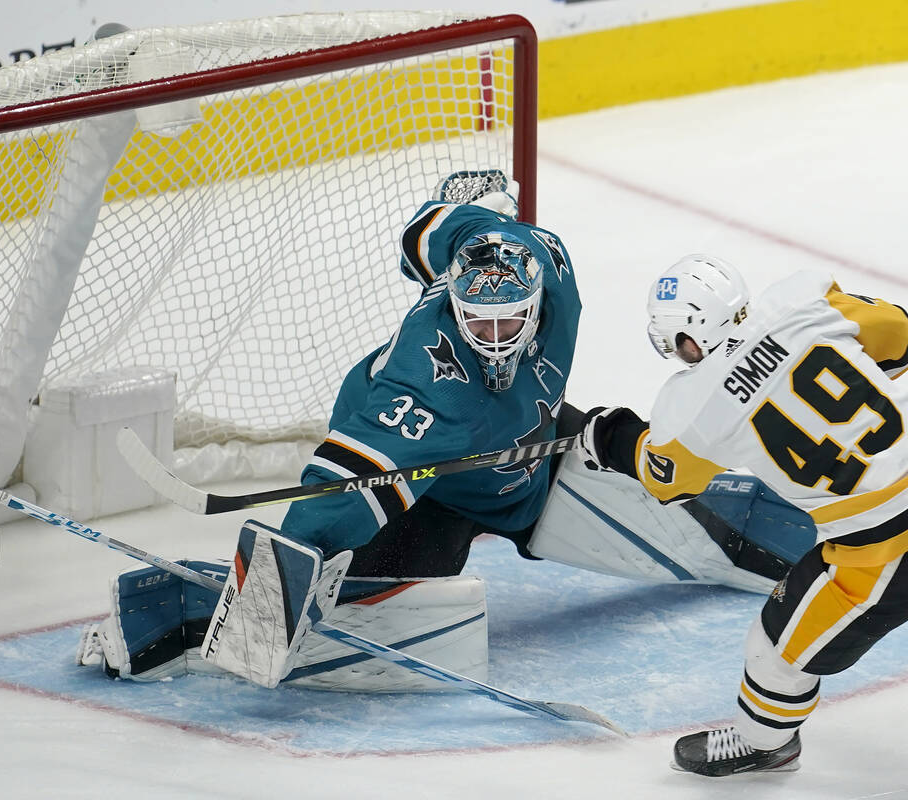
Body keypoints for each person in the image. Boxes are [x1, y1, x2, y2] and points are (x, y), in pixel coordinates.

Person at [78, 178, 816, 690]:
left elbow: (431, 233)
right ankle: (174, 612)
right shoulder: (416, 399)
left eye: (509, 321)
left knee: (703, 526)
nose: (495, 338)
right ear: (453, 311)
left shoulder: (548, 267)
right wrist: (267, 607)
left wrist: (460, 211)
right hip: (434, 484)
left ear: (535, 302)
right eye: (478, 323)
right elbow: (322, 510)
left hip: (532, 453)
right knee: (365, 608)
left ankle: (835, 539)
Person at [578, 255, 908, 779]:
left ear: (681, 339)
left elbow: (667, 478)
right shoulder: (800, 301)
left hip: (892, 547)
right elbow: (900, 337)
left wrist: (612, 434)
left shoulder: (690, 404)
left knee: (774, 651)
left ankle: (766, 744)